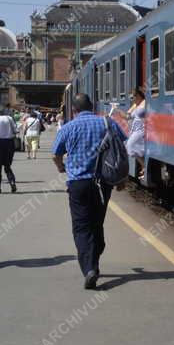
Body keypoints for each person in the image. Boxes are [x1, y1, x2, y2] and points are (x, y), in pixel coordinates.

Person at [52, 93, 127, 289]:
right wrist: (122, 177)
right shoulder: (107, 123)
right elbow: (122, 145)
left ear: (74, 110)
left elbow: (56, 154)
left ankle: (89, 268)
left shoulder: (68, 127)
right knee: (97, 221)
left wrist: (61, 167)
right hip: (103, 182)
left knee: (81, 226)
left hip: (78, 184)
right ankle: (95, 254)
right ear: (92, 107)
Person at [124, 88, 147, 178]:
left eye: (133, 96)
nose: (132, 98)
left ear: (138, 95)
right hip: (135, 129)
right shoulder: (136, 105)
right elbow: (127, 116)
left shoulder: (145, 103)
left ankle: (144, 166)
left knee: (130, 146)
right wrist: (116, 110)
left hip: (142, 129)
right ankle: (144, 166)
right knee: (130, 147)